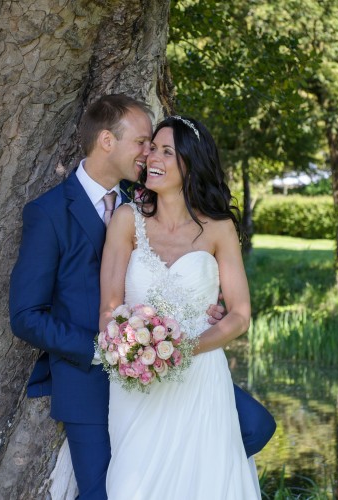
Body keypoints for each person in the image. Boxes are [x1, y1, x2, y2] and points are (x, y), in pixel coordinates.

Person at [9, 95, 274, 499]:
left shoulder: (145, 192)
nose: (150, 153)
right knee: (110, 492)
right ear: (106, 142)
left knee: (248, 433)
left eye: (159, 148)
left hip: (182, 365)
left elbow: (232, 306)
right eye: (144, 143)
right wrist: (114, 347)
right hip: (94, 370)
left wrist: (198, 317)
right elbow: (27, 315)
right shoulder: (51, 213)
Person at [98, 115, 261, 498]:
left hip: (201, 380)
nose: (152, 156)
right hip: (136, 383)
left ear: (191, 164)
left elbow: (239, 314)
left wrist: (184, 349)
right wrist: (130, 348)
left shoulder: (219, 229)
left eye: (167, 151)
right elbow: (109, 307)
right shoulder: (126, 220)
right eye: (152, 147)